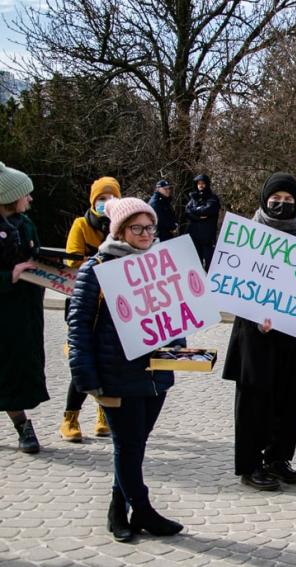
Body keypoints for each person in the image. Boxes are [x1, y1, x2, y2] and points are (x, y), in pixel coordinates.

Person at [68, 198, 184, 542]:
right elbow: (78, 328)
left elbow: (176, 318)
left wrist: (179, 349)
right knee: (128, 446)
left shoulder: (163, 265)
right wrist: (87, 379)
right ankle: (144, 510)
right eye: (137, 228)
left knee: (137, 445)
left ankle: (118, 508)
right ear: (120, 231)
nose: (146, 234)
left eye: (150, 227)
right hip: (116, 375)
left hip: (156, 376)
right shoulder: (97, 268)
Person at [222, 173, 296, 491]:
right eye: (275, 199)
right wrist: (256, 316)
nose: (282, 205)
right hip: (257, 336)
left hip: (294, 337)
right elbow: (236, 286)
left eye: (289, 200)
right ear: (264, 200)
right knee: (255, 400)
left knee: (289, 399)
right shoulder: (248, 236)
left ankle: (279, 459)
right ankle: (251, 465)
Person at [60, 176, 121, 442]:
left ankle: (102, 414)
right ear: (93, 200)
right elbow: (71, 260)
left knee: (107, 362)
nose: (105, 203)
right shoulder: (81, 225)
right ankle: (70, 417)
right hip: (85, 301)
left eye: (111, 198)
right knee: (83, 361)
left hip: (113, 306)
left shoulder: (120, 225)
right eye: (101, 198)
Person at [0, 162, 48, 454]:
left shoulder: (26, 224)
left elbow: (36, 255)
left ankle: (21, 423)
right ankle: (22, 425)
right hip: (3, 308)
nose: (29, 199)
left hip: (24, 312)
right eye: (25, 195)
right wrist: (9, 276)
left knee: (17, 370)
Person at [185, 173, 221, 270]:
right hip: (195, 236)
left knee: (210, 265)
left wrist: (195, 211)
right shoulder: (193, 198)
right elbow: (187, 211)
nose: (201, 185)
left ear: (207, 184)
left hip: (208, 237)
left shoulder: (212, 198)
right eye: (198, 183)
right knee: (196, 264)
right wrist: (198, 217)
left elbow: (207, 210)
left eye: (203, 183)